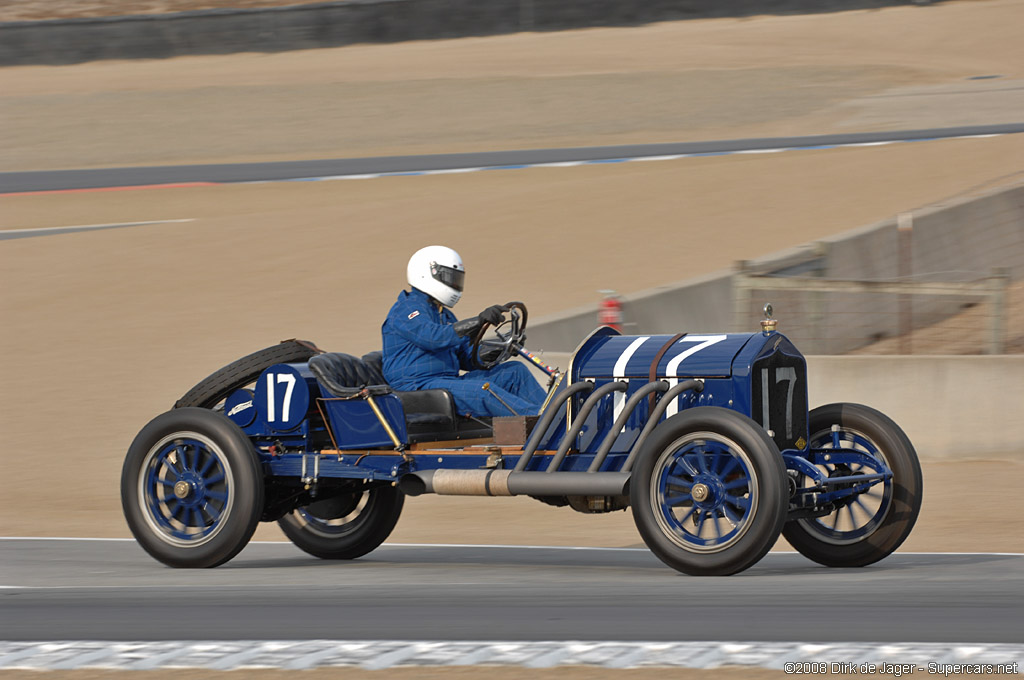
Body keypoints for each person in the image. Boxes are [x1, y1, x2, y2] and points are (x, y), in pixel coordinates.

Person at [382, 245, 547, 418]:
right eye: (450, 278)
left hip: (446, 382)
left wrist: (499, 350)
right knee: (482, 390)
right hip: (417, 386)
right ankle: (544, 423)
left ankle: (559, 416)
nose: (455, 284)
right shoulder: (407, 308)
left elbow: (466, 358)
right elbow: (433, 337)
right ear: (425, 274)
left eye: (457, 279)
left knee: (515, 371)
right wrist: (478, 321)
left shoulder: (443, 314)